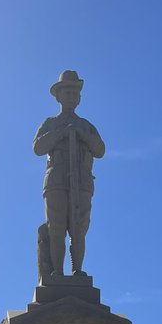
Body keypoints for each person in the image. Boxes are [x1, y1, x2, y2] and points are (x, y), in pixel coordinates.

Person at [33, 69, 105, 278]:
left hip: (82, 181)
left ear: (79, 98)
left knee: (79, 228)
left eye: (75, 93)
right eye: (67, 92)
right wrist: (61, 133)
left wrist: (81, 135)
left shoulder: (86, 126)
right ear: (58, 96)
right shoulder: (50, 123)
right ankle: (56, 272)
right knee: (56, 226)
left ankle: (77, 271)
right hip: (56, 179)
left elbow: (100, 150)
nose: (71, 96)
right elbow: (38, 148)